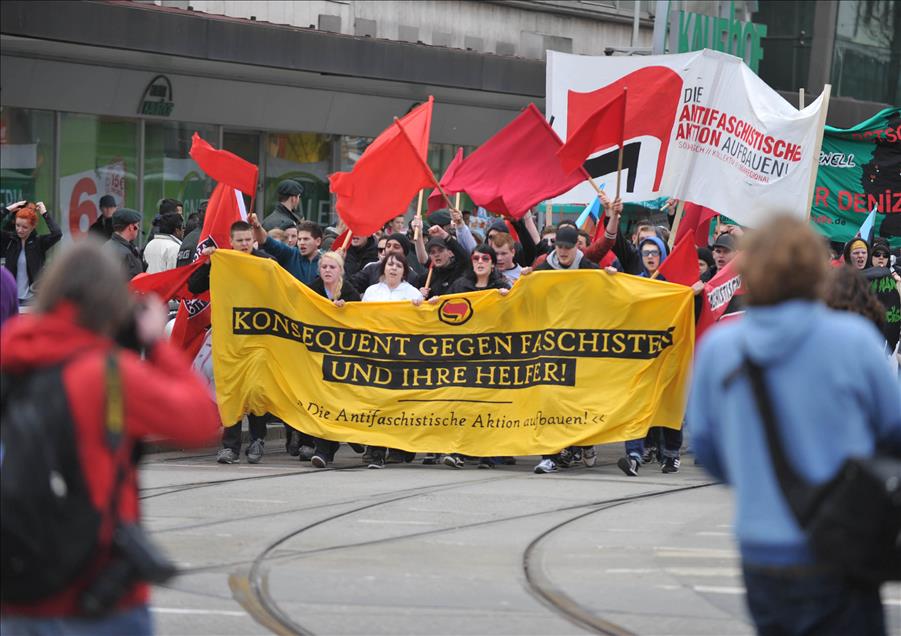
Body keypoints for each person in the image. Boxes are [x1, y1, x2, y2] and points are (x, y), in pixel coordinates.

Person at [688, 216, 901, 636]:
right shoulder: (853, 340)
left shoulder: (720, 348)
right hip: (842, 540)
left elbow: (710, 452)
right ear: (817, 269)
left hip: (762, 548)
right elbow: (893, 430)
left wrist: (759, 479)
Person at [0, 241, 220, 636]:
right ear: (110, 304)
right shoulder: (106, 373)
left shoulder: (12, 354)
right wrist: (154, 343)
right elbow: (201, 421)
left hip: (18, 586)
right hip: (97, 589)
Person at [188, 219, 276, 465]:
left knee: (257, 389)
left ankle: (257, 439)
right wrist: (207, 263)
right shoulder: (222, 261)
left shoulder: (266, 262)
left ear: (253, 239)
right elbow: (194, 286)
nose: (245, 244)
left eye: (248, 239)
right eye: (240, 241)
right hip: (229, 339)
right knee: (231, 391)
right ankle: (230, 446)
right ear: (232, 242)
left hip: (259, 339)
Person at [361, 252, 423, 469]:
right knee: (376, 403)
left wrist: (420, 307)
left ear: (404, 270)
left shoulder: (412, 293)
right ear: (383, 267)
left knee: (398, 404)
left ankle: (400, 447)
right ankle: (375, 451)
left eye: (398, 265)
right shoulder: (371, 292)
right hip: (376, 356)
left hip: (402, 357)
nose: (393, 268)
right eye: (390, 264)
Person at [308, 251, 362, 468]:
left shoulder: (349, 291)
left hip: (344, 357)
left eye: (332, 267)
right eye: (324, 267)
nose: (328, 271)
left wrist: (345, 312)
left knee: (340, 400)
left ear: (340, 270)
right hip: (318, 357)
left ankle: (350, 435)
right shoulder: (312, 290)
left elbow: (360, 319)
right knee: (323, 401)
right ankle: (323, 450)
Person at [1, 201, 62, 305]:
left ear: (33, 227)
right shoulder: (10, 240)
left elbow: (57, 234)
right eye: (17, 225)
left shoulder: (38, 243)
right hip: (10, 298)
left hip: (33, 300)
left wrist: (45, 213)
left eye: (25, 227)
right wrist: (9, 209)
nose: (20, 230)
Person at [251, 217, 321, 285]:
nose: (301, 243)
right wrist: (257, 226)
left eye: (306, 239)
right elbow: (265, 240)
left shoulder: (326, 262)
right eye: (299, 239)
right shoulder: (290, 254)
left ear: (318, 241)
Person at [104, 208, 145, 280]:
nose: (138, 228)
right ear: (131, 227)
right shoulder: (127, 254)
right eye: (137, 225)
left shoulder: (105, 246)